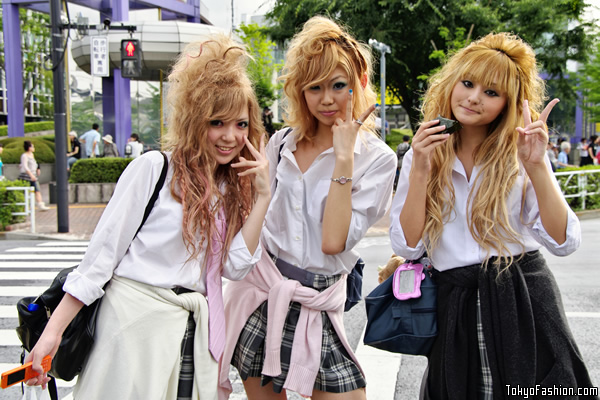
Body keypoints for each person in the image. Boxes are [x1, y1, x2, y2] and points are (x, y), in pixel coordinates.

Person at [25, 35, 270, 399]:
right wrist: (51, 333)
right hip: (132, 326)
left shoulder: (230, 188)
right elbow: (99, 260)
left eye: (241, 124)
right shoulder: (155, 169)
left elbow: (233, 269)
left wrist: (263, 195)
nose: (230, 136)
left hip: (190, 331)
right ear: (193, 119)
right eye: (217, 122)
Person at [390, 32, 596, 398]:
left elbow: (565, 241)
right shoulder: (423, 154)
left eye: (491, 92)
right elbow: (407, 246)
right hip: (457, 305)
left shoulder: (522, 153)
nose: (473, 97)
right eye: (467, 83)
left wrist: (536, 166)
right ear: (452, 82)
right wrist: (420, 166)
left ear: (508, 103)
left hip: (524, 299)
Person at [220, 16, 397, 400]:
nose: (327, 99)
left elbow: (334, 241)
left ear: (359, 83)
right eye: (314, 88)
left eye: (338, 85)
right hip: (262, 295)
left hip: (318, 302)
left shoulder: (377, 159)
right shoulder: (281, 144)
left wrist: (344, 158)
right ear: (300, 92)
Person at [18, 140, 49, 211]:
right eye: (32, 146)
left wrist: (37, 169)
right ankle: (23, 206)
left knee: (37, 190)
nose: (34, 148)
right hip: (26, 176)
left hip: (33, 175)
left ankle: (41, 205)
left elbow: (35, 164)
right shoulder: (24, 156)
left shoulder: (32, 155)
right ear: (29, 148)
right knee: (25, 192)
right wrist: (31, 175)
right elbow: (25, 166)